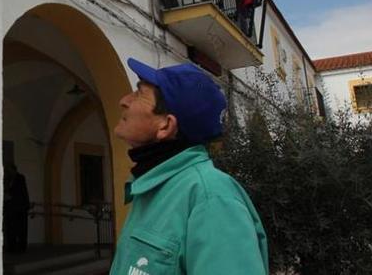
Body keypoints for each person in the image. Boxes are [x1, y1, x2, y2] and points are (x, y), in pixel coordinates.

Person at [109, 59, 268, 275]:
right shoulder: (153, 187)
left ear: (165, 125)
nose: (124, 101)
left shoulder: (211, 199)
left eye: (138, 93)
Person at [3, 163, 30, 253]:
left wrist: (10, 196)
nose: (8, 172)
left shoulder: (20, 178)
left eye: (9, 170)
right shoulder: (8, 179)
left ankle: (21, 248)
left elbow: (21, 192)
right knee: (11, 228)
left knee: (21, 229)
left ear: (14, 170)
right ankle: (12, 247)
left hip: (20, 208)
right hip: (11, 209)